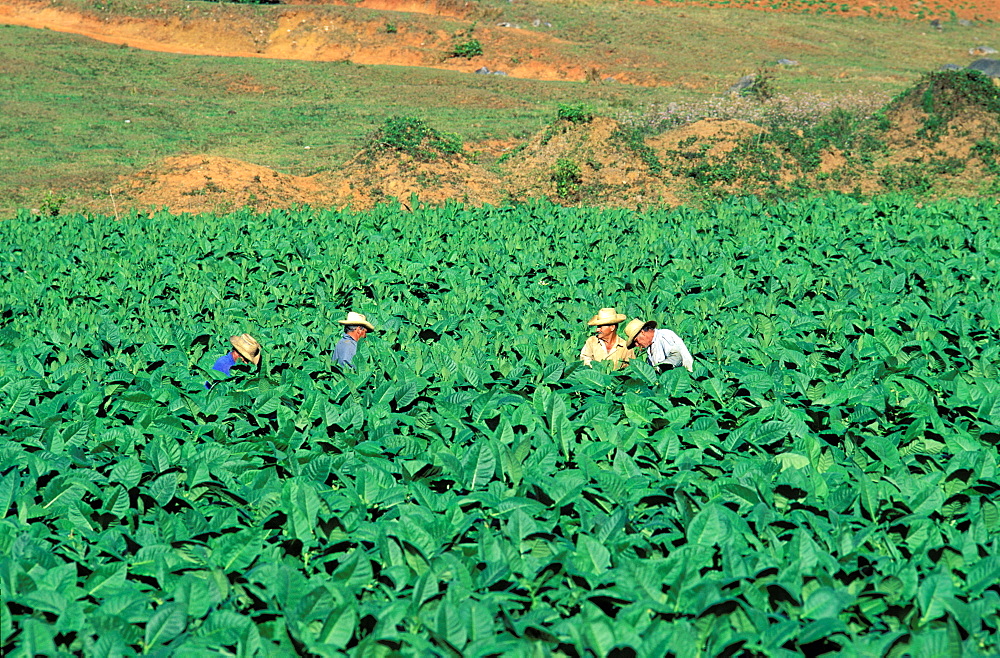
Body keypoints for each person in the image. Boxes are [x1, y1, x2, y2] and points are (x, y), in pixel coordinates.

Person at [624, 318, 694, 372]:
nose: (636, 344)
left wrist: (663, 367)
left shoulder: (663, 336)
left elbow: (677, 357)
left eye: (636, 340)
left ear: (642, 332)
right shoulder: (650, 347)